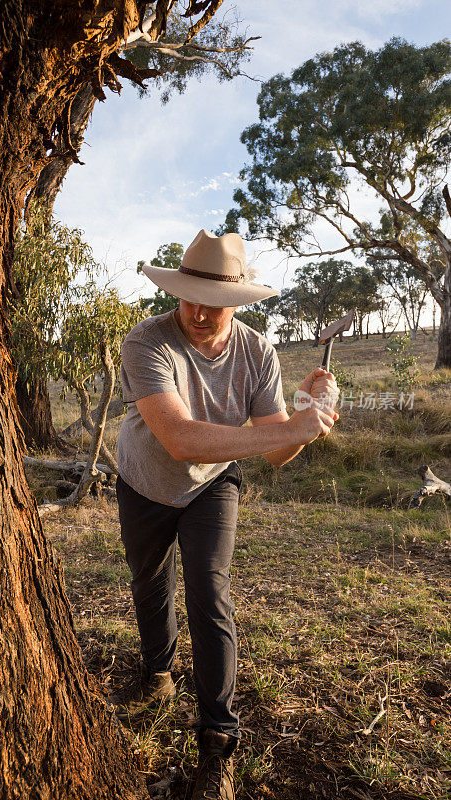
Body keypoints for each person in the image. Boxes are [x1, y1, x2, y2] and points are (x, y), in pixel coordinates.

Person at [113, 229, 338, 800]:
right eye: (187, 296)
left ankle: (216, 742)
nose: (196, 312)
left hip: (214, 485)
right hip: (143, 479)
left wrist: (308, 420)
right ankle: (157, 675)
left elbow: (280, 450)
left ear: (235, 303)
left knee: (208, 594)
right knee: (148, 578)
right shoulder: (147, 340)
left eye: (211, 303)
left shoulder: (258, 353)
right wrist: (286, 430)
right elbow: (180, 439)